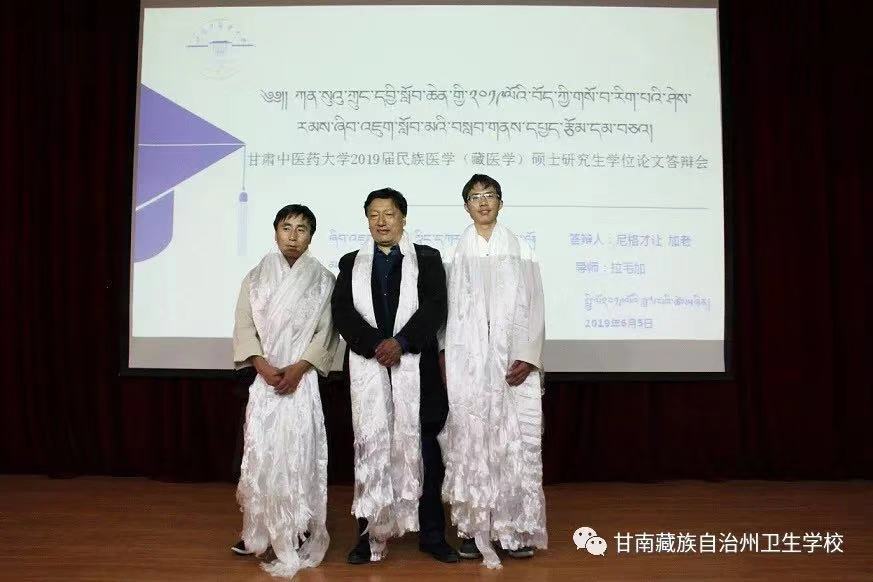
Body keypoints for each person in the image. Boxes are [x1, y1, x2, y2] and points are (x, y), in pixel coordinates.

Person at [331, 188, 458, 565]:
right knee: (370, 449)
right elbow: (342, 311)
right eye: (373, 215)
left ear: (403, 218)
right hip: (368, 367)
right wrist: (375, 344)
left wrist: (401, 343)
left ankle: (432, 535)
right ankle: (369, 536)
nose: (381, 221)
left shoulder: (428, 258)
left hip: (416, 368)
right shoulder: (351, 262)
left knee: (427, 452)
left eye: (388, 214)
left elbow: (436, 307)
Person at [439, 174, 548, 568]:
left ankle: (516, 530)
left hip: (512, 366)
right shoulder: (453, 252)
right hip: (468, 367)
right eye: (475, 196)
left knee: (516, 445)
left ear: (501, 202)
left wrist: (528, 356)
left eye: (490, 195)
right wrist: (444, 353)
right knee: (471, 442)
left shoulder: (523, 249)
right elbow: (444, 314)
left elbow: (535, 307)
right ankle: (473, 531)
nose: (483, 202)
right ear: (465, 205)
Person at [232, 204, 339, 578]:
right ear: (276, 231)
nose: (293, 236)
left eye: (302, 229)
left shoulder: (324, 280)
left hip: (301, 380)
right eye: (287, 227)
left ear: (311, 236)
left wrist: (299, 368)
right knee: (262, 454)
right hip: (266, 379)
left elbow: (326, 332)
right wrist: (261, 365)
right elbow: (244, 326)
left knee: (299, 453)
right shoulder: (255, 278)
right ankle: (257, 531)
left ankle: (298, 526)